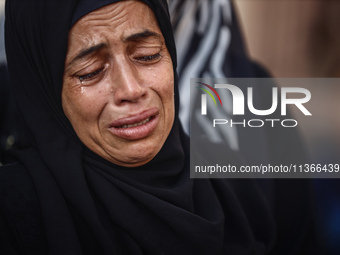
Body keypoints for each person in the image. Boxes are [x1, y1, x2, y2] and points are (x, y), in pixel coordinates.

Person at [0, 0, 318, 254]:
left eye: (148, 55)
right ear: (44, 92)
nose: (131, 89)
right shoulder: (17, 215)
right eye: (90, 70)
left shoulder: (236, 189)